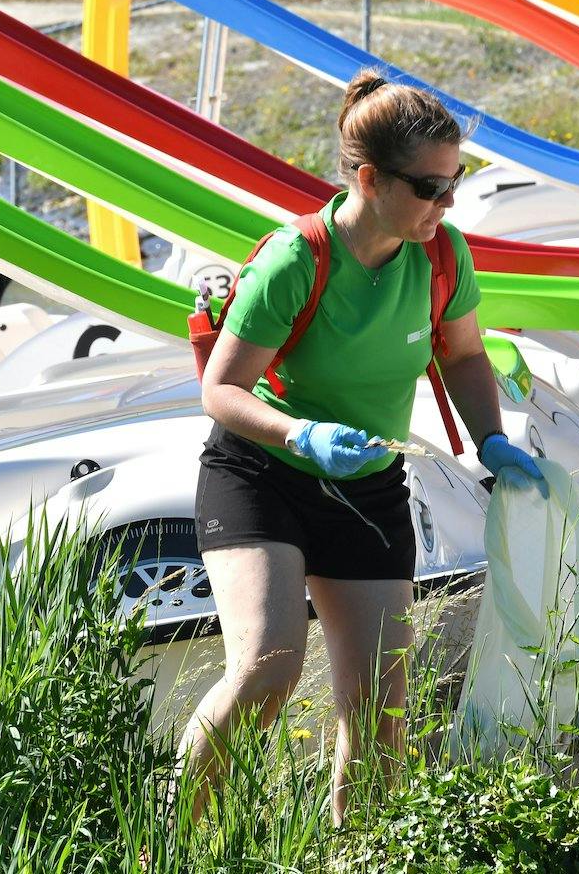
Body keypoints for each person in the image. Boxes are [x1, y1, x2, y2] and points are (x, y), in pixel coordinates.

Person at [187, 69, 545, 825]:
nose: (447, 205)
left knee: (381, 712)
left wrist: (493, 442)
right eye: (429, 188)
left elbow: (467, 356)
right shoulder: (297, 260)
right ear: (368, 177)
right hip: (263, 477)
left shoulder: (443, 255)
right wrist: (302, 434)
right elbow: (221, 390)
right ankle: (168, 840)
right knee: (267, 669)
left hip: (369, 491)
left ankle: (361, 852)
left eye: (456, 184)